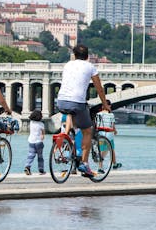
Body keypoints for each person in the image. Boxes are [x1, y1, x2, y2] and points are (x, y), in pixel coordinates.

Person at [55, 44, 110, 178]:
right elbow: (99, 89)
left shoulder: (67, 65)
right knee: (87, 130)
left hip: (61, 101)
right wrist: (105, 105)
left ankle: (66, 137)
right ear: (87, 56)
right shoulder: (90, 67)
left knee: (70, 114)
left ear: (74, 55)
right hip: (77, 102)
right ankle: (84, 163)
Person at [97, 100, 120, 168]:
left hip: (100, 134)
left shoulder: (98, 114)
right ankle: (115, 164)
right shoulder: (111, 115)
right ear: (109, 106)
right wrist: (115, 131)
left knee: (101, 150)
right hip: (109, 134)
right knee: (111, 149)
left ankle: (100, 167)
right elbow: (112, 125)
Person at [23, 109, 45, 175]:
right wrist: (43, 136)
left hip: (31, 141)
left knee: (31, 155)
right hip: (39, 142)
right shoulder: (41, 124)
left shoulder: (31, 122)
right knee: (40, 157)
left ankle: (27, 166)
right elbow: (43, 133)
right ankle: (41, 170)